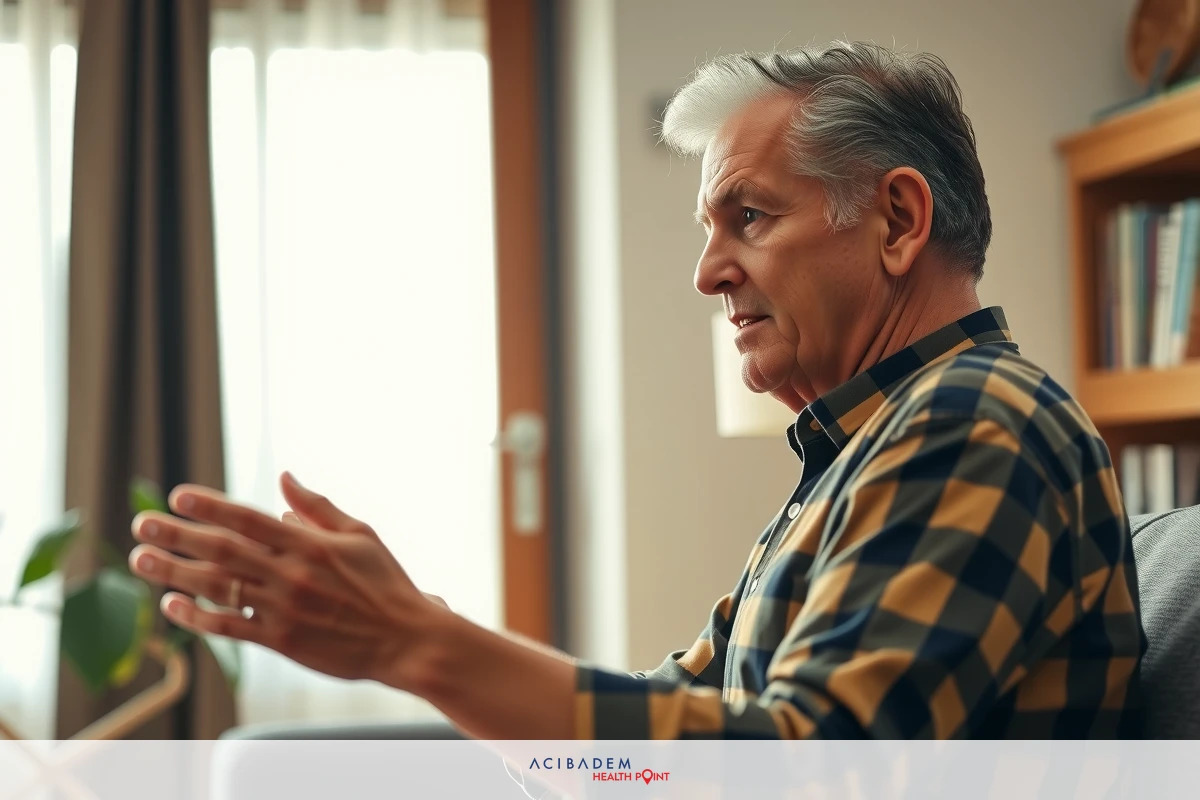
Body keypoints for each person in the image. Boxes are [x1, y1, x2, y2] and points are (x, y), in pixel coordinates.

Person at [128, 41, 1144, 739]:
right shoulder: (862, 455)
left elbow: (806, 766)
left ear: (896, 220)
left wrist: (414, 640)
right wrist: (418, 625)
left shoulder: (977, 423)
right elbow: (659, 731)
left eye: (748, 216)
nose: (707, 272)